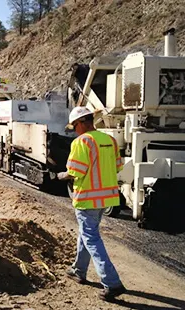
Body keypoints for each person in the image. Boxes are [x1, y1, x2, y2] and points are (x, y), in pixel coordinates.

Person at [56, 106, 126, 301]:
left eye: (74, 126)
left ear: (81, 123)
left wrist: (62, 175)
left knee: (91, 237)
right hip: (107, 198)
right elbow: (118, 165)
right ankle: (79, 270)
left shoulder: (82, 142)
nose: (74, 130)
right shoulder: (109, 140)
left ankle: (112, 283)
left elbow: (75, 171)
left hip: (87, 198)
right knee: (86, 233)